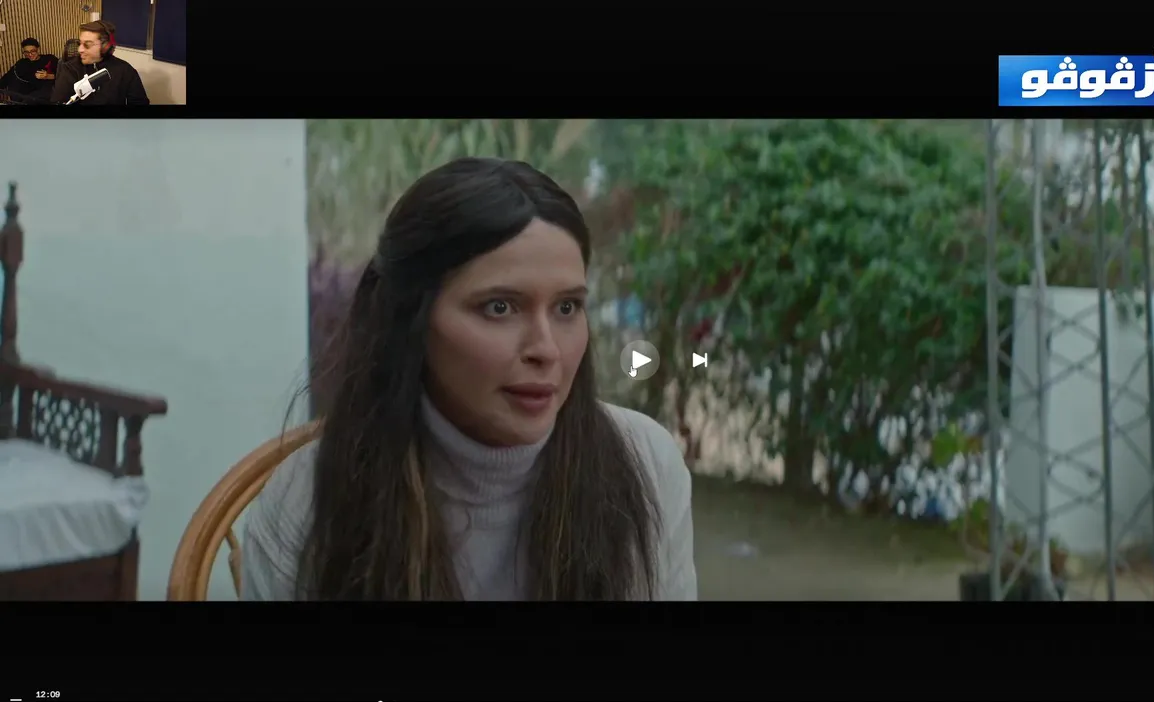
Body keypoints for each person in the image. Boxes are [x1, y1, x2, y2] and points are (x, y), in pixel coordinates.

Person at [240, 158, 697, 601]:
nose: (547, 350)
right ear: (411, 319)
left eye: (566, 307)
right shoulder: (307, 500)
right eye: (499, 307)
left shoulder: (645, 465)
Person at [50, 20, 149, 105]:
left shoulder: (125, 70)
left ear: (106, 47)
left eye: (87, 45)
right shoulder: (69, 69)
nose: (80, 50)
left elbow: (139, 102)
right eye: (79, 43)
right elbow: (59, 101)